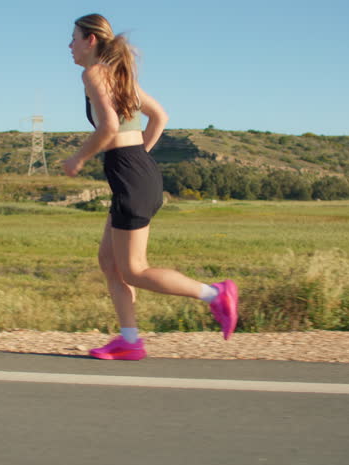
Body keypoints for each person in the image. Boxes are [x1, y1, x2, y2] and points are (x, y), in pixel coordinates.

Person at [63, 13, 238, 360]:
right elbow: (160, 116)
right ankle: (129, 340)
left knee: (134, 269)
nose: (69, 45)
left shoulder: (94, 73)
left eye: (74, 38)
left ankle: (215, 294)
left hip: (130, 174)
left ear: (91, 41)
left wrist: (79, 158)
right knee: (109, 261)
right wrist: (138, 155)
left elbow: (109, 126)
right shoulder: (119, 76)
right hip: (136, 170)